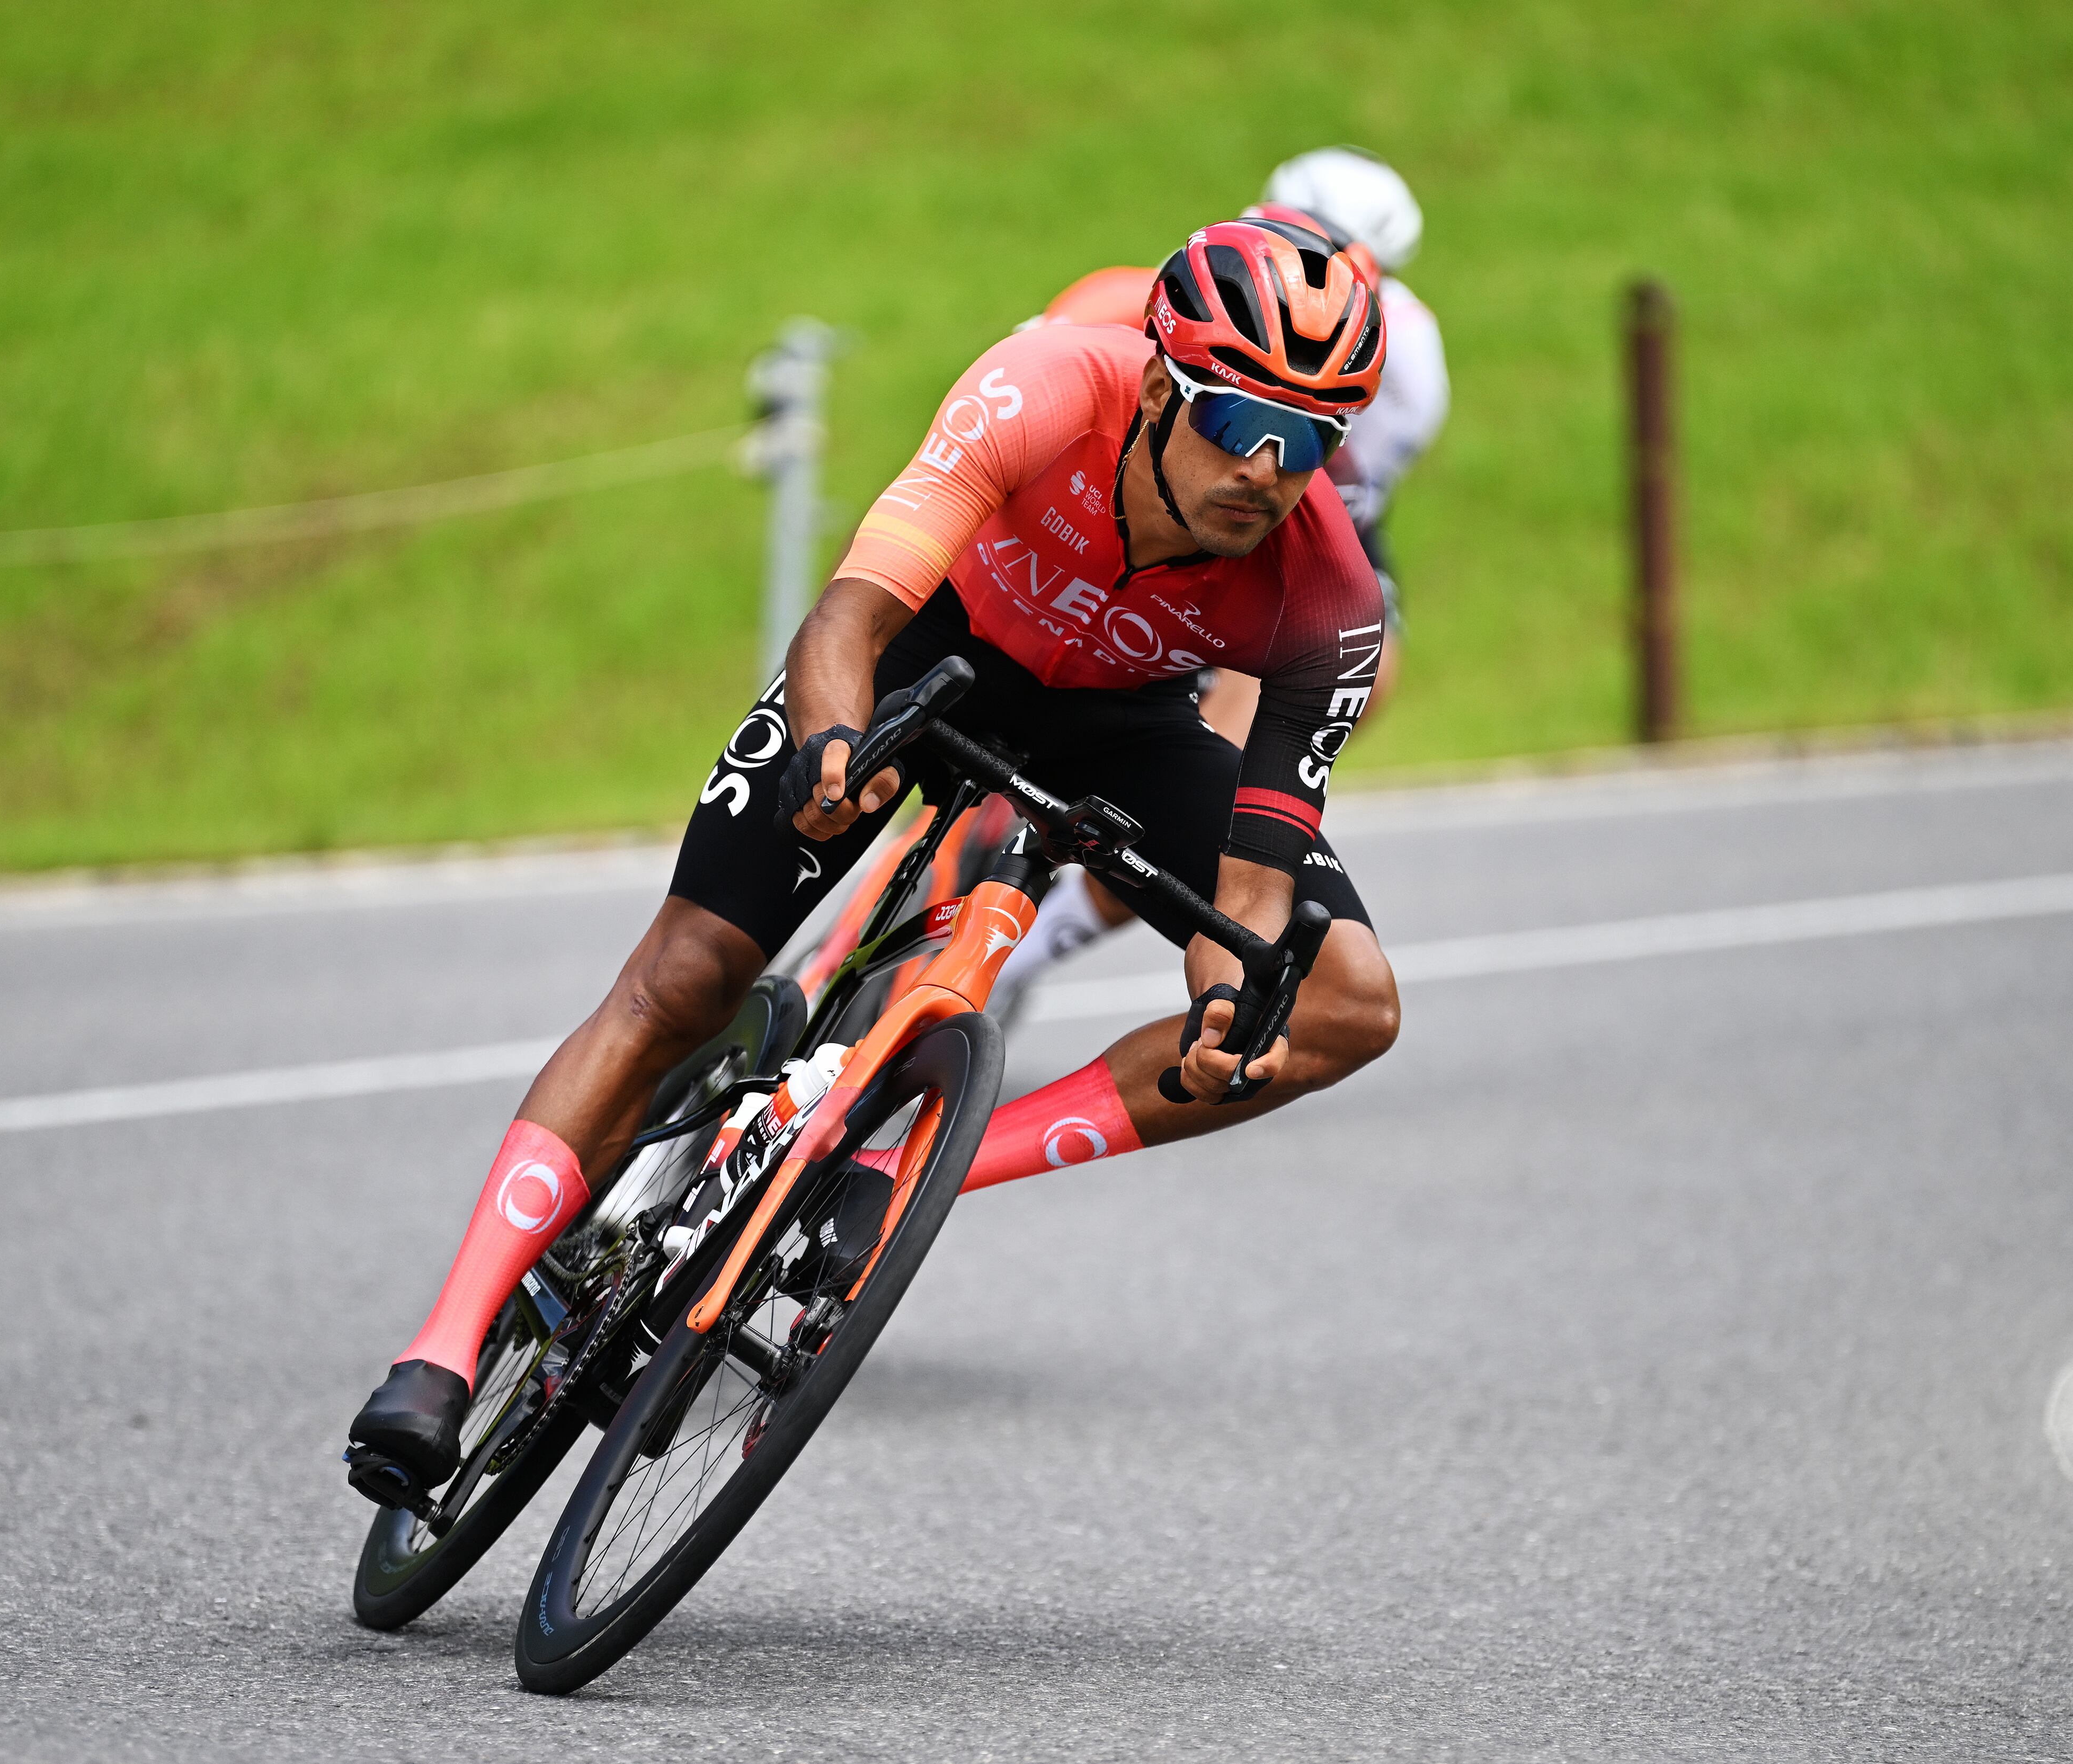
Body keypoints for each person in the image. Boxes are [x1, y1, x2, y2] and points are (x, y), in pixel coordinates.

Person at [346, 215, 1405, 1493]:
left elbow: (1262, 856)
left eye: (1315, 443)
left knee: (1344, 1003)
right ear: (1160, 381)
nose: (1272, 473)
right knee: (684, 978)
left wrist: (1225, 996)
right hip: (933, 650)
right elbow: (854, 608)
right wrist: (832, 743)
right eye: (1243, 427)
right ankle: (444, 1349)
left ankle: (900, 1175)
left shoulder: (1329, 597)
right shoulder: (1046, 386)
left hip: (1129, 723)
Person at [995, 146, 1448, 1009]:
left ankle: (1041, 942)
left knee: (1296, 706)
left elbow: (1328, 539)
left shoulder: (1411, 373)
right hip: (1141, 476)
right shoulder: (1155, 298)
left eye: (1360, 269)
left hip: (1296, 511)